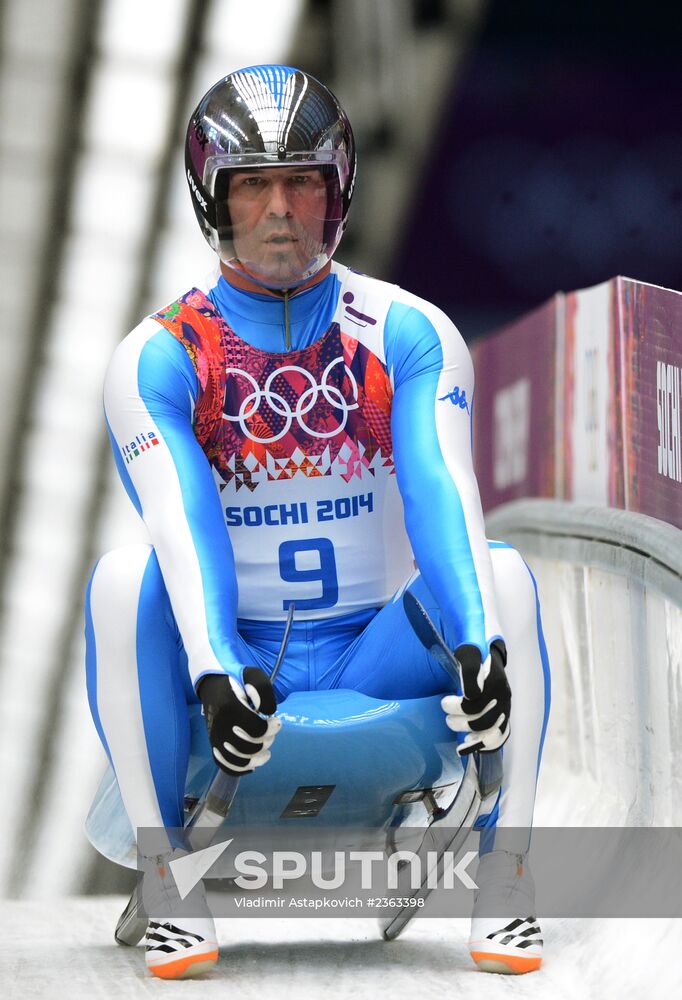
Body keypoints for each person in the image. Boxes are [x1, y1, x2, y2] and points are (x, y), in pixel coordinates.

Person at [85, 64, 550, 980]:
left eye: (300, 181)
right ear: (214, 199)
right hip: (239, 667)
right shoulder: (161, 356)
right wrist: (216, 668)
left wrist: (475, 642)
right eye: (253, 185)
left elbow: (438, 482)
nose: (280, 210)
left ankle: (509, 877)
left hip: (375, 650)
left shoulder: (408, 330)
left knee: (503, 577)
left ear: (337, 191)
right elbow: (180, 523)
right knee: (118, 577)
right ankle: (168, 873)